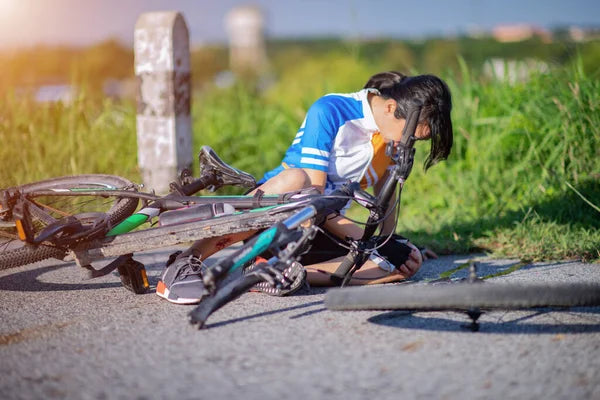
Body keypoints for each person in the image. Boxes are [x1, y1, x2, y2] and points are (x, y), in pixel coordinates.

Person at [156, 71, 454, 304]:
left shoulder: (385, 137)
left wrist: (393, 243)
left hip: (318, 229)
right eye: (411, 136)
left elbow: (384, 205)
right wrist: (371, 242)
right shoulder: (331, 110)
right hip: (282, 209)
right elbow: (313, 202)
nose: (408, 143)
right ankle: (185, 261)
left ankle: (270, 273)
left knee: (403, 263)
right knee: (297, 181)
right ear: (391, 107)